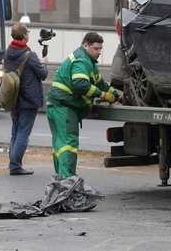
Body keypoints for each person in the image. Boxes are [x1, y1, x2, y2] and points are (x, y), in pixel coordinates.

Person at [46, 32, 121, 178]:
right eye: (95, 48)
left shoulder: (88, 62)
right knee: (68, 145)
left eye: (100, 49)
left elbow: (100, 83)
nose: (99, 52)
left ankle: (61, 178)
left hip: (56, 106)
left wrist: (116, 94)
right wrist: (103, 95)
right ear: (85, 45)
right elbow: (80, 84)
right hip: (65, 107)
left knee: (60, 145)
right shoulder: (82, 61)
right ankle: (67, 180)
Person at [4, 23, 48, 176]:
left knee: (15, 131)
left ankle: (13, 163)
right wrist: (45, 64)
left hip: (13, 98)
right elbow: (43, 74)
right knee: (23, 132)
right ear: (23, 36)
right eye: (27, 33)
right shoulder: (30, 55)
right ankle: (15, 166)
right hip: (29, 100)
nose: (28, 35)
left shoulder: (8, 52)